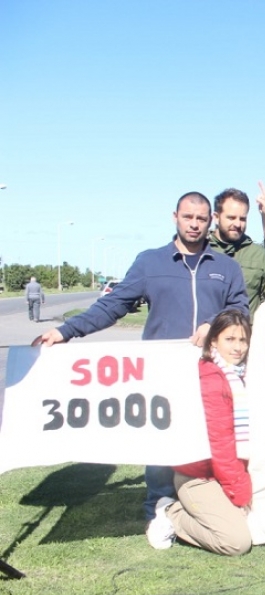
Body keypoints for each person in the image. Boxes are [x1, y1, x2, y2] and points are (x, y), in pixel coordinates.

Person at [37, 192, 249, 538]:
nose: (194, 224)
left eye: (201, 218)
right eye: (188, 217)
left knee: (216, 440)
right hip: (163, 373)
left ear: (211, 221)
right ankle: (159, 507)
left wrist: (215, 323)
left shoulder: (226, 267)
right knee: (163, 441)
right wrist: (65, 331)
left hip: (213, 371)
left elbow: (240, 309)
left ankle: (211, 500)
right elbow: (113, 305)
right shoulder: (150, 263)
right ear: (175, 217)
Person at [146, 309, 253, 555]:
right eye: (230, 339)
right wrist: (240, 492)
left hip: (228, 472)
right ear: (213, 340)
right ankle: (171, 513)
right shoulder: (211, 378)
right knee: (236, 541)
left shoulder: (242, 374)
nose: (237, 347)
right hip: (199, 475)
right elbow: (221, 442)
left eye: (243, 340)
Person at [209, 188, 265, 319]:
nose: (237, 224)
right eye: (231, 218)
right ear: (216, 217)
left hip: (248, 336)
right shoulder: (202, 251)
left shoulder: (259, 255)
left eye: (242, 219)